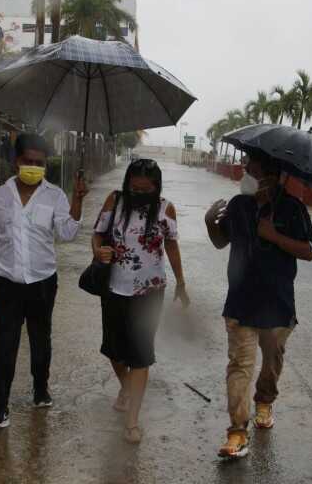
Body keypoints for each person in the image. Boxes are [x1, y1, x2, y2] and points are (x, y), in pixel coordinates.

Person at [204, 150, 312, 459]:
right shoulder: (238, 205)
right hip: (240, 300)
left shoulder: (293, 209)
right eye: (246, 167)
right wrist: (209, 222)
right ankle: (237, 432)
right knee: (240, 364)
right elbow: (219, 241)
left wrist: (274, 235)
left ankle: (265, 400)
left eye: (251, 169)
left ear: (271, 175)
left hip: (277, 305)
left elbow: (309, 251)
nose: (245, 173)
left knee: (271, 362)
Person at [0, 133, 88, 429]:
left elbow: (67, 233)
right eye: (28, 161)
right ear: (17, 162)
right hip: (6, 283)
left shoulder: (55, 196)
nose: (34, 167)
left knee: (41, 341)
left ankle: (41, 389)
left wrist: (77, 200)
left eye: (39, 163)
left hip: (42, 282)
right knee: (5, 345)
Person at [91, 158, 191, 444]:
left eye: (146, 189)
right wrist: (98, 252)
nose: (139, 193)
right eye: (134, 188)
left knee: (140, 354)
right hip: (114, 287)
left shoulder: (164, 208)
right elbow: (97, 234)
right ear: (127, 185)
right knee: (112, 348)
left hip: (150, 292)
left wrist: (181, 283)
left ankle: (132, 420)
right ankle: (126, 387)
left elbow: (171, 245)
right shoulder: (115, 200)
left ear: (156, 187)